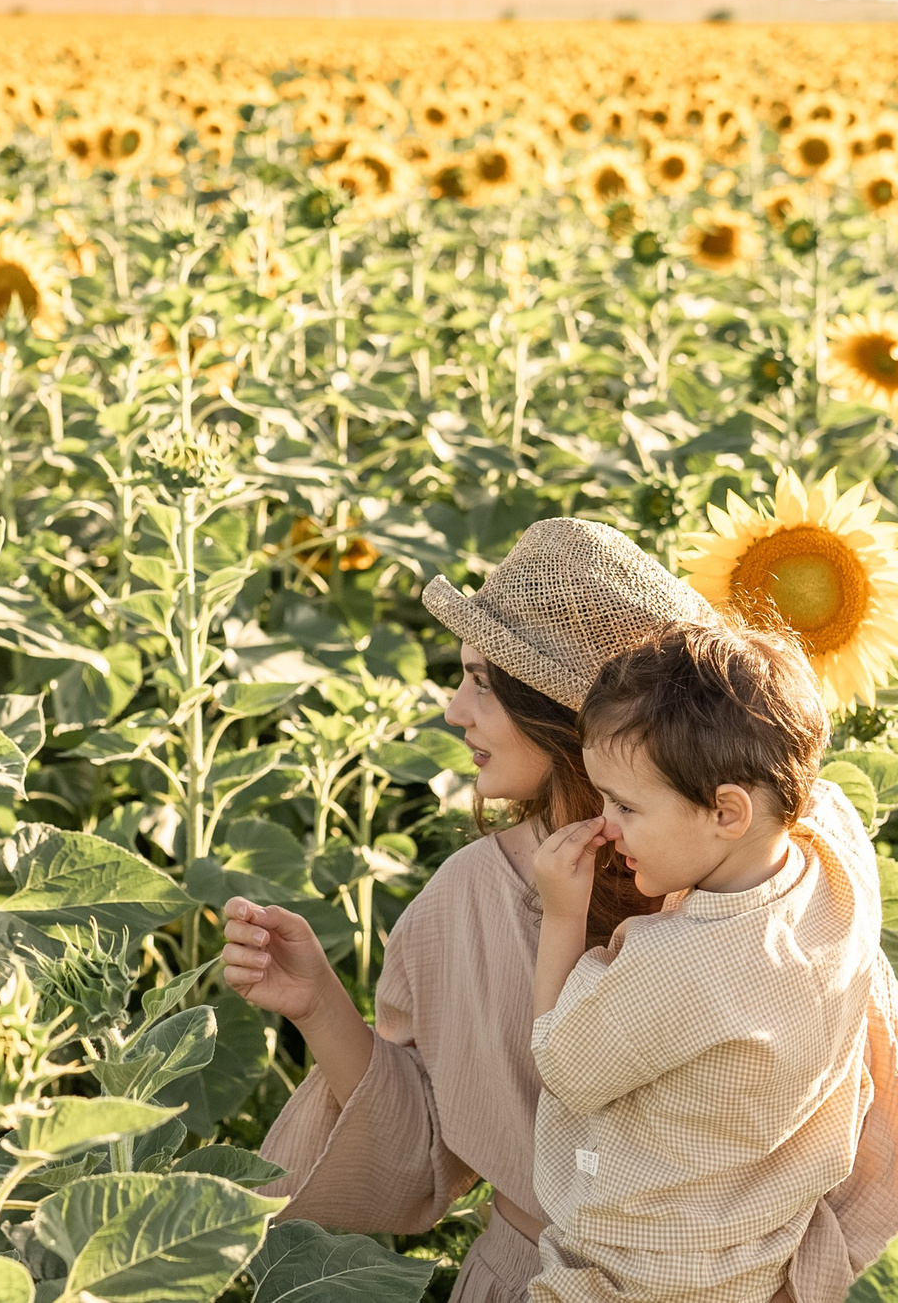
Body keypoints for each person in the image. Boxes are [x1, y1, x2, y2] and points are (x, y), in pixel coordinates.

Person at [220, 518, 714, 1303]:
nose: (455, 711)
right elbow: (420, 1153)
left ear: (564, 711)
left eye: (484, 683)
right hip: (531, 1276)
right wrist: (316, 1002)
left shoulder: (749, 882)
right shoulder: (471, 893)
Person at [524, 621, 898, 1303]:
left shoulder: (672, 964)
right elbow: (814, 791)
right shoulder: (838, 864)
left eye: (626, 804)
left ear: (727, 812)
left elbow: (563, 1063)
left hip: (637, 1272)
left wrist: (564, 912)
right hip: (753, 1253)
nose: (606, 824)